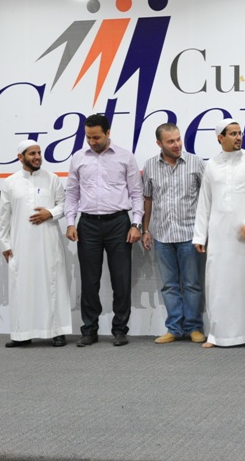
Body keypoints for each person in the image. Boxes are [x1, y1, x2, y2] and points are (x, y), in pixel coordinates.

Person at [193, 119, 245, 350]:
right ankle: (218, 335)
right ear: (220, 138)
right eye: (233, 134)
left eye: (240, 133)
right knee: (219, 283)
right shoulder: (212, 164)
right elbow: (205, 201)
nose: (238, 137)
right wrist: (200, 235)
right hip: (220, 235)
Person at [65, 114, 144, 347]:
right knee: (89, 280)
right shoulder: (78, 158)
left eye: (96, 137)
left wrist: (136, 224)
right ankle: (89, 330)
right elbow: (72, 193)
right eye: (88, 137)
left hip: (118, 222)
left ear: (108, 133)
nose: (92, 142)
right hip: (88, 224)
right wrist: (70, 222)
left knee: (121, 279)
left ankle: (120, 329)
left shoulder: (125, 157)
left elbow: (136, 193)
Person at [0, 140, 71, 347]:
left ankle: (57, 331)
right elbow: (4, 216)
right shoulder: (10, 182)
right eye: (32, 154)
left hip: (48, 242)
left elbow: (65, 205)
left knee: (53, 282)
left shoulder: (52, 179)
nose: (37, 157)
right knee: (22, 286)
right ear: (20, 157)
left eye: (39, 153)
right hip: (21, 244)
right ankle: (22, 334)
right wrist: (5, 245)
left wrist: (50, 213)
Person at [141, 123, 206, 344]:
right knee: (169, 285)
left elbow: (207, 198)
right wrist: (146, 230)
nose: (177, 144)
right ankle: (174, 328)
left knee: (192, 284)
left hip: (190, 233)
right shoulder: (150, 166)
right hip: (162, 235)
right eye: (171, 141)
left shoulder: (196, 163)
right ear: (159, 143)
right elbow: (147, 199)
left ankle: (194, 327)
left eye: (178, 139)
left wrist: (204, 231)